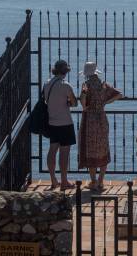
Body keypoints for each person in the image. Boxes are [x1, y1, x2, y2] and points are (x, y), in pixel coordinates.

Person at [78, 61, 122, 191]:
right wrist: (105, 102)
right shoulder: (103, 85)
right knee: (103, 148)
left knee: (91, 149)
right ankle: (101, 181)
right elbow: (118, 94)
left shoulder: (86, 85)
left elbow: (83, 104)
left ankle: (93, 181)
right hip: (102, 118)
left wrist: (84, 96)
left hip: (90, 119)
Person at [43, 60, 78, 191]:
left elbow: (46, 100)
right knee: (64, 152)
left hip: (52, 122)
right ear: (65, 71)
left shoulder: (47, 84)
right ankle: (64, 181)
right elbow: (74, 103)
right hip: (65, 123)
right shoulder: (66, 85)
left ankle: (53, 180)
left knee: (52, 150)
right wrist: (68, 102)